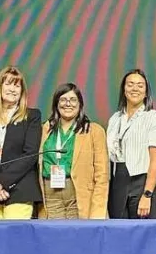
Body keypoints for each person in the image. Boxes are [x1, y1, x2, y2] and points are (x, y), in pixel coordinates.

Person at [0, 66, 42, 219]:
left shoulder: (32, 116)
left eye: (17, 85)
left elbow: (30, 155)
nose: (13, 89)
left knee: (13, 239)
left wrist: (2, 182)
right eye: (8, 84)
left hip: (20, 190)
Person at [38, 83, 109, 219]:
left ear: (80, 104)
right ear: (56, 104)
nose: (68, 104)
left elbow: (102, 175)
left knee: (77, 236)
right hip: (50, 196)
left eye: (73, 100)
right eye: (63, 100)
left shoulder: (94, 131)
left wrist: (98, 210)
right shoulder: (44, 130)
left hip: (80, 194)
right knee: (53, 236)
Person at [106, 69, 156, 219]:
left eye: (140, 85)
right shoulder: (115, 118)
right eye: (130, 84)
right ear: (124, 89)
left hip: (142, 182)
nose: (135, 88)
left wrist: (147, 194)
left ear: (146, 92)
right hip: (117, 181)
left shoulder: (152, 117)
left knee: (144, 235)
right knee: (119, 235)